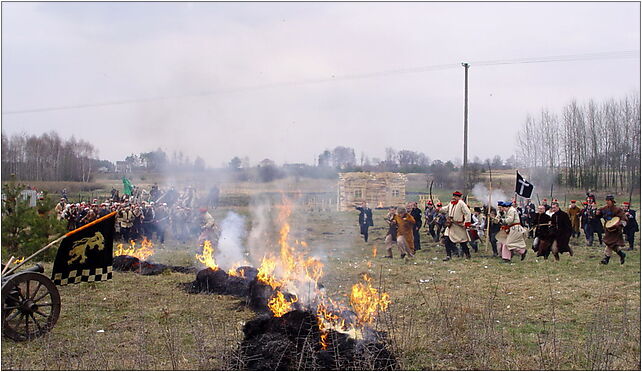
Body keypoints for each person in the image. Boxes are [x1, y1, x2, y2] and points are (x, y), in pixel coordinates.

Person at [596, 195, 628, 265]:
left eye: (609, 201)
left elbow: (624, 219)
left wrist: (619, 224)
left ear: (612, 201)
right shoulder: (604, 208)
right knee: (612, 244)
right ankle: (621, 254)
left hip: (616, 230)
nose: (607, 202)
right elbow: (599, 213)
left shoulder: (618, 209)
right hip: (608, 229)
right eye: (606, 200)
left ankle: (606, 258)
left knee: (609, 243)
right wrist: (597, 213)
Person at [440, 191, 472, 261]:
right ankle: (448, 255)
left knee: (462, 242)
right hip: (450, 225)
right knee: (447, 239)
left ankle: (467, 254)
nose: (453, 197)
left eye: (455, 196)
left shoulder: (461, 203)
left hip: (458, 226)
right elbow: (446, 209)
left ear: (458, 197)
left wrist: (467, 223)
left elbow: (467, 213)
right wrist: (439, 209)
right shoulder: (451, 203)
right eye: (453, 196)